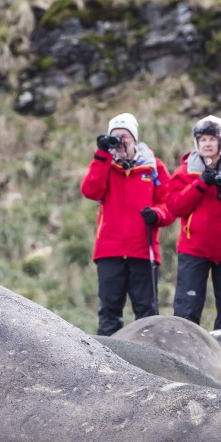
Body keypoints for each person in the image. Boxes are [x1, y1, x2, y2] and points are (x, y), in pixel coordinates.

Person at [81, 112, 173, 336]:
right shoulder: (105, 165)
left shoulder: (153, 167)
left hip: (143, 249)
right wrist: (102, 154)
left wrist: (157, 214)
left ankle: (149, 360)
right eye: (115, 136)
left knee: (146, 314)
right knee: (109, 312)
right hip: (110, 250)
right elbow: (90, 190)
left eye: (125, 136)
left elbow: (171, 203)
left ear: (135, 138)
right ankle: (107, 363)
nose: (120, 141)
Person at [166, 115, 221, 329]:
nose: (207, 144)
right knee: (186, 313)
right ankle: (181, 358)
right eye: (202, 139)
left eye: (212, 139)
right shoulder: (185, 172)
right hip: (194, 251)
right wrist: (201, 184)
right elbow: (175, 207)